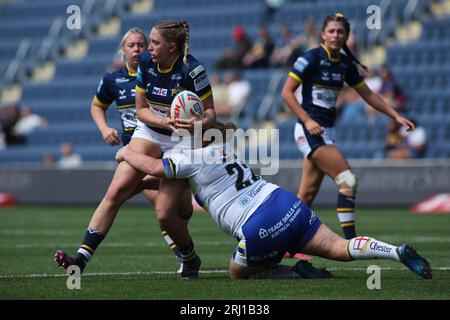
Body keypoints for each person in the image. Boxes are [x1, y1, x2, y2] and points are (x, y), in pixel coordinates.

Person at [114, 121, 432, 280]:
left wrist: (127, 151)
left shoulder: (185, 157)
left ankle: (294, 271)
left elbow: (157, 167)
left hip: (258, 224)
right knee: (340, 248)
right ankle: (395, 252)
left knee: (236, 272)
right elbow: (165, 175)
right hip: (284, 202)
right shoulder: (221, 149)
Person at [55, 20, 216, 279]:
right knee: (117, 190)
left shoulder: (193, 70)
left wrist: (199, 122)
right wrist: (165, 120)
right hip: (152, 129)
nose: (147, 48)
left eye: (153, 43)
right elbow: (141, 110)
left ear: (172, 47)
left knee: (166, 214)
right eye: (144, 43)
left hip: (183, 140)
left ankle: (189, 258)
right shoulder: (145, 63)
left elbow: (211, 113)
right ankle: (81, 260)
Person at [281, 13, 415, 240]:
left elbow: (368, 95)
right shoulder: (311, 58)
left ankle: (283, 244)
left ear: (346, 36)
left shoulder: (344, 64)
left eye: (340, 31)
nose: (335, 35)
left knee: (306, 196)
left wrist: (395, 116)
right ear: (323, 34)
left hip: (326, 132)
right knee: (348, 180)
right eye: (331, 31)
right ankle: (351, 241)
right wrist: (308, 120)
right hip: (309, 130)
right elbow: (286, 93)